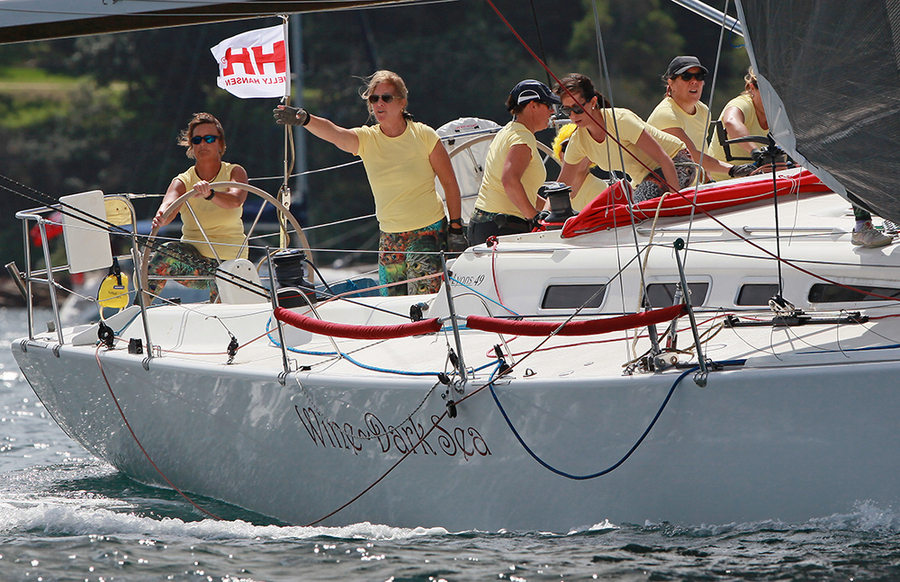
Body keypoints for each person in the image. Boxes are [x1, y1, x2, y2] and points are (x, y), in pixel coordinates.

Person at [274, 70, 463, 296]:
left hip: (428, 233)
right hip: (390, 237)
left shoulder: (425, 136)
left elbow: (450, 184)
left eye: (386, 98)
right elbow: (336, 133)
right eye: (374, 99)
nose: (379, 103)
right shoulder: (368, 139)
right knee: (393, 307)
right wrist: (305, 119)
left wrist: (456, 227)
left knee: (426, 302)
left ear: (402, 102)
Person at [145, 112, 249, 303]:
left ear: (220, 144)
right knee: (164, 254)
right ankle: (140, 309)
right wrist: (162, 216)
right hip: (196, 264)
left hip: (231, 263)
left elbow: (236, 199)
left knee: (223, 306)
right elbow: (168, 207)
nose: (203, 144)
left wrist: (210, 194)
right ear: (191, 146)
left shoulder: (235, 171)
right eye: (197, 139)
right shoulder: (183, 180)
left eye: (209, 139)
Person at [555, 73, 695, 208]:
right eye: (567, 111)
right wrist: (544, 216)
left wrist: (677, 203)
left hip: (678, 162)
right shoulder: (578, 141)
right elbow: (562, 184)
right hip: (644, 179)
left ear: (593, 102)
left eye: (577, 108)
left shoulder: (620, 121)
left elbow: (663, 159)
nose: (573, 115)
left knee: (639, 204)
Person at [468, 79, 559, 245]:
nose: (553, 112)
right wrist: (534, 218)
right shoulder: (522, 138)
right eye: (548, 105)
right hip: (503, 229)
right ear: (533, 106)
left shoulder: (508, 131)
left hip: (487, 225)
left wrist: (550, 208)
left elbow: (524, 190)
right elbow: (509, 181)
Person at [648, 56, 751, 182]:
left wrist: (709, 182)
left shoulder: (703, 111)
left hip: (691, 192)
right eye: (686, 76)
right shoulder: (665, 114)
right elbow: (691, 155)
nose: (694, 81)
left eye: (699, 76)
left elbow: (702, 155)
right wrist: (733, 170)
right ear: (671, 84)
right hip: (660, 193)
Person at [706, 67, 770, 181]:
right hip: (723, 182)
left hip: (765, 181)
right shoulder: (742, 104)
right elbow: (730, 122)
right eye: (766, 91)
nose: (771, 98)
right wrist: (755, 152)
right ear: (752, 88)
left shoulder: (782, 111)